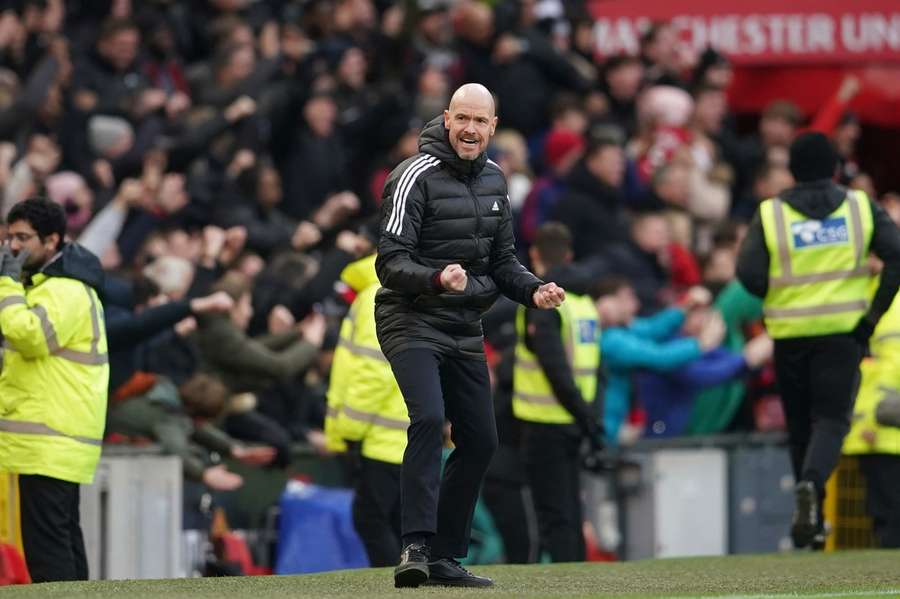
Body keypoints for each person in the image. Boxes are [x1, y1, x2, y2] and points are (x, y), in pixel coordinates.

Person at [375, 83, 565, 588]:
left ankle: (443, 554)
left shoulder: (497, 180)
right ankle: (414, 546)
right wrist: (437, 278)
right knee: (430, 417)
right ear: (446, 117)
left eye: (481, 122)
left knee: (481, 439)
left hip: (463, 324)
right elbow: (390, 263)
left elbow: (503, 262)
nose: (471, 130)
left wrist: (534, 290)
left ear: (493, 127)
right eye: (463, 119)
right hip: (410, 315)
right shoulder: (412, 175)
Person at [736, 132, 900, 549]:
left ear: (791, 170)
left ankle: (808, 521)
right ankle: (811, 487)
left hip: (789, 335)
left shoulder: (771, 214)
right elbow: (897, 254)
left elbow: (750, 276)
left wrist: (782, 294)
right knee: (831, 421)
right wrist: (872, 315)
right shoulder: (860, 207)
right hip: (843, 334)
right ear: (835, 168)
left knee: (799, 427)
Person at [0, 198, 109, 582]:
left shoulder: (65, 290)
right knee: (62, 542)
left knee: (48, 552)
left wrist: (7, 286)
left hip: (50, 438)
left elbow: (31, 337)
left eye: (23, 238)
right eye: (9, 236)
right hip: (53, 438)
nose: (12, 246)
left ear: (52, 241)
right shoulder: (52, 286)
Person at [512, 222, 603, 563]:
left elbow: (554, 368)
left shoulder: (543, 302)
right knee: (571, 512)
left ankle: (566, 582)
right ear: (569, 255)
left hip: (544, 421)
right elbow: (598, 368)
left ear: (535, 256)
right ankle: (578, 577)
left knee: (553, 516)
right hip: (575, 420)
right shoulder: (584, 304)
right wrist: (590, 418)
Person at [325, 254, 409, 567]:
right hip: (400, 429)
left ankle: (395, 587)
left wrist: (348, 430)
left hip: (380, 435)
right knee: (401, 525)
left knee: (371, 519)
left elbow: (375, 369)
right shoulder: (405, 289)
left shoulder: (377, 295)